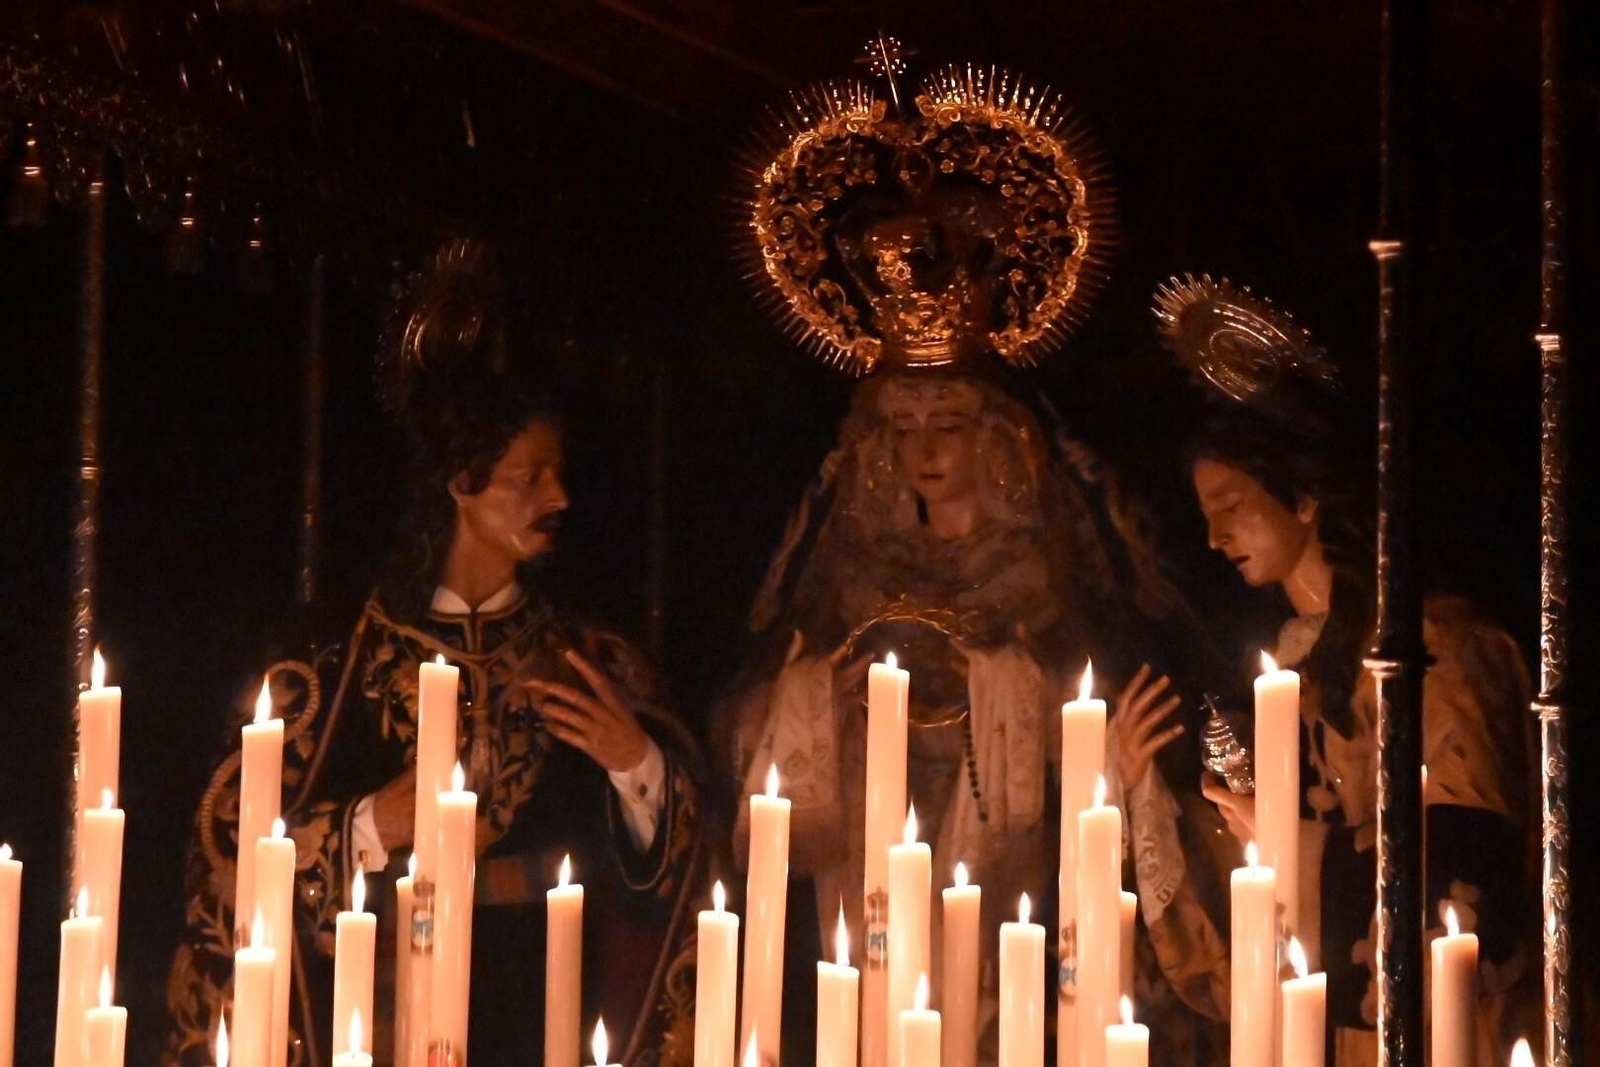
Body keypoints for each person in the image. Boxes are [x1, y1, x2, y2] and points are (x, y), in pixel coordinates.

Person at [718, 57, 1203, 1060]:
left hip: (1008, 888)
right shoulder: (842, 572)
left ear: (997, 443)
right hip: (868, 866)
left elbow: (1104, 737)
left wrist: (1022, 693)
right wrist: (817, 693)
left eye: (943, 424)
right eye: (899, 430)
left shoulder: (1053, 579)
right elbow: (748, 729)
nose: (919, 450)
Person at [164, 247, 707, 1066]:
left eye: (558, 473)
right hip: (376, 1009)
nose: (558, 497)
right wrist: (374, 823)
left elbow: (684, 878)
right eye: (530, 476)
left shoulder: (593, 659)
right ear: (460, 483)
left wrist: (637, 765)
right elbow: (228, 857)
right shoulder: (324, 665)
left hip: (537, 1007)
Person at [1121, 275, 1537, 1065]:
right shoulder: (1287, 673)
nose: (1213, 537)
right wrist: (1153, 804)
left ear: (1304, 495)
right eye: (1204, 511)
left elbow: (1464, 884)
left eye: (1233, 502)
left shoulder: (1441, 653)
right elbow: (1233, 955)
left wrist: (1286, 843)